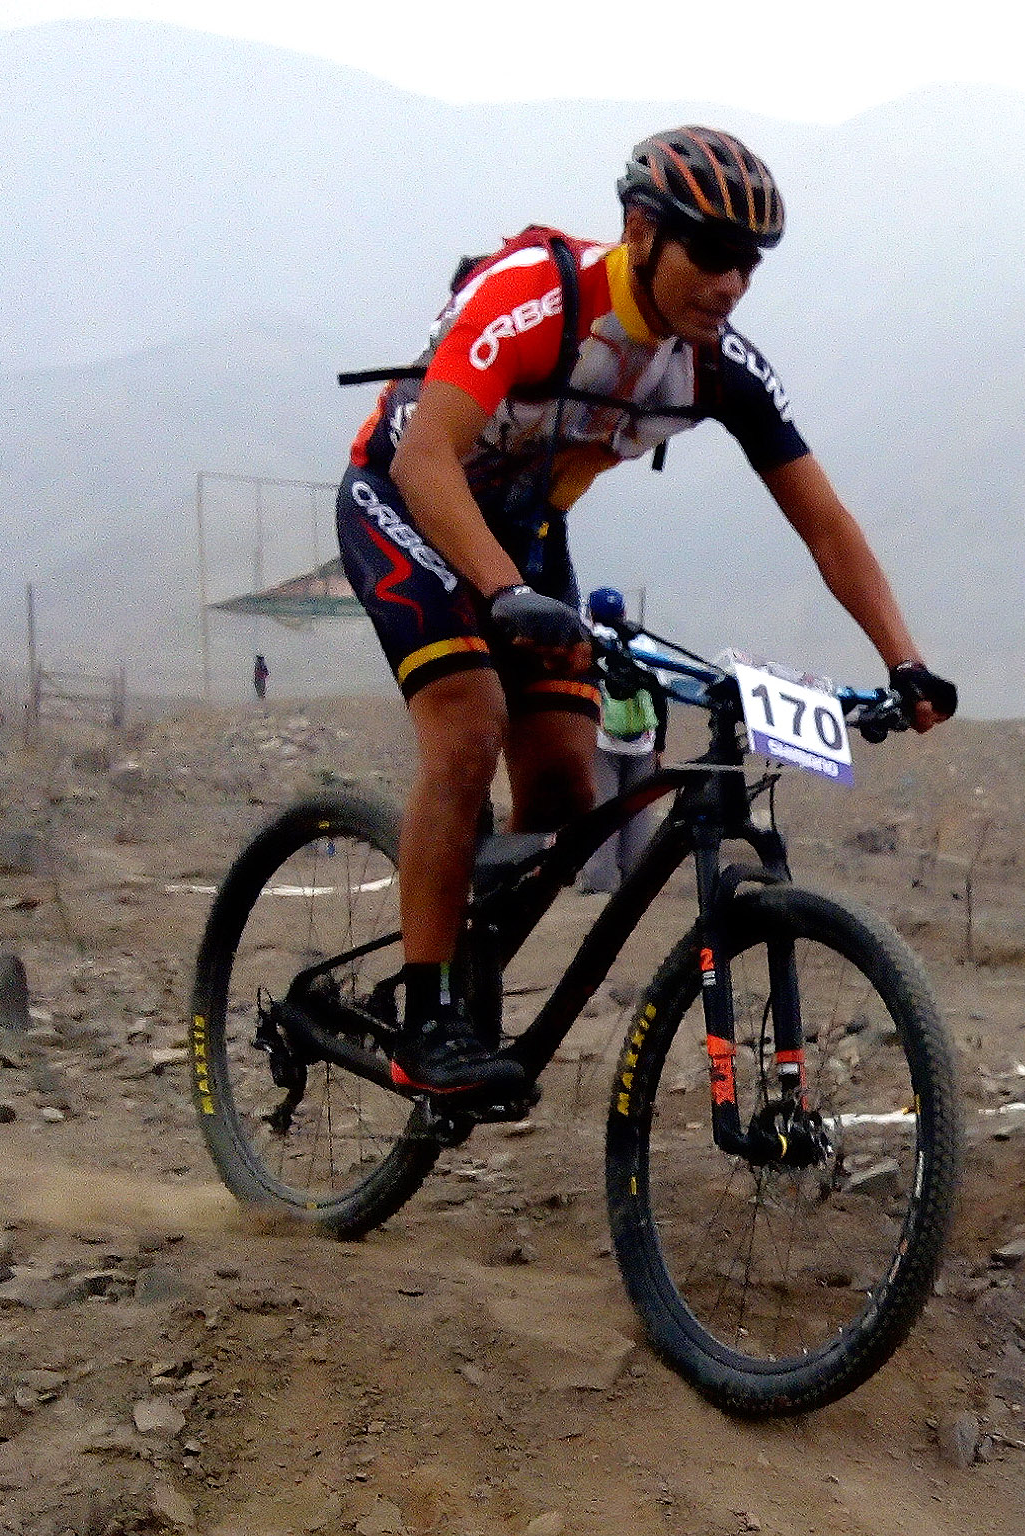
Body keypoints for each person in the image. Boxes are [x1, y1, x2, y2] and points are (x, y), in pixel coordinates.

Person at [337, 125, 956, 1099]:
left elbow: (825, 524)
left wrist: (902, 660)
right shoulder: (537, 299)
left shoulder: (716, 366)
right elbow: (424, 460)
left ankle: (461, 925)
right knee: (468, 729)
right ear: (638, 230)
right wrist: (500, 592)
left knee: (562, 791)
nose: (730, 284)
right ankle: (426, 1019)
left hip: (524, 535)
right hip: (408, 501)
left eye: (749, 265)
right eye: (710, 254)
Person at [576, 587, 663, 895]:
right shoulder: (644, 644)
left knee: (603, 811)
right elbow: (659, 696)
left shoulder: (589, 642)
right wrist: (660, 745)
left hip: (603, 741)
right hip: (643, 743)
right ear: (624, 614)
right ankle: (634, 878)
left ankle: (599, 881)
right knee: (638, 812)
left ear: (591, 614)